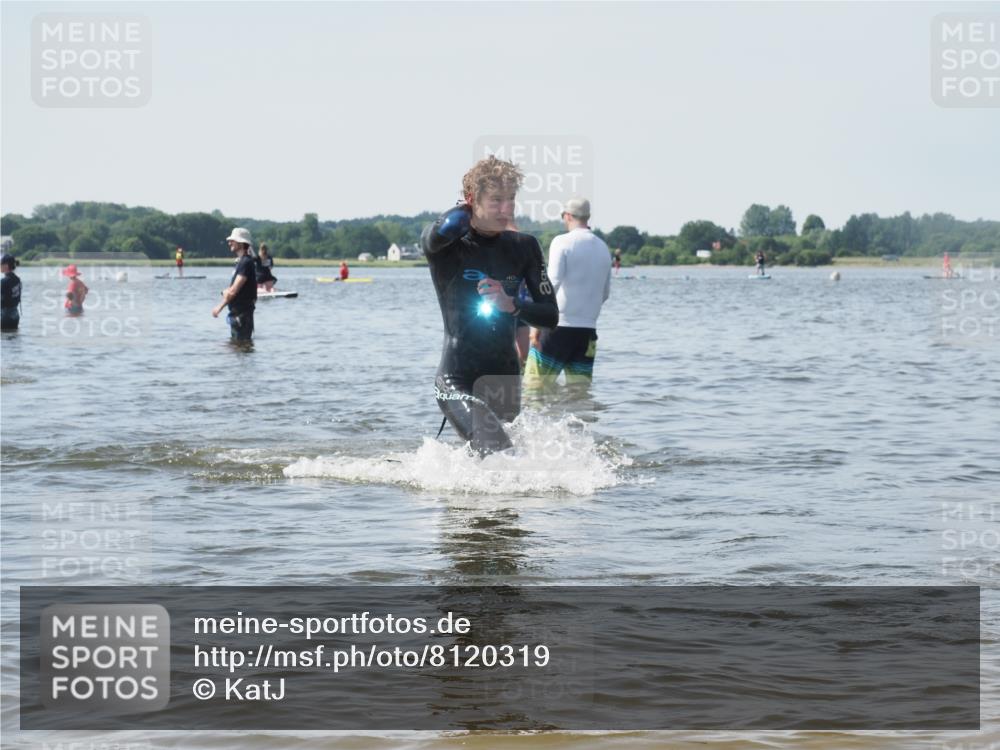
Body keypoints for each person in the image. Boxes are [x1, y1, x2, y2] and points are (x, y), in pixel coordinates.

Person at [421, 155, 558, 455]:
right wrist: (463, 211)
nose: (506, 208)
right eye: (496, 200)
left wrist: (513, 305)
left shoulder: (525, 247)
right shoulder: (449, 248)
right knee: (497, 451)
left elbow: (551, 317)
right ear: (472, 201)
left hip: (504, 376)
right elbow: (430, 238)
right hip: (456, 378)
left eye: (511, 199)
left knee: (505, 464)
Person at [524, 198, 612, 388]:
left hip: (556, 329)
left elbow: (551, 285)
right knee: (580, 394)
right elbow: (605, 294)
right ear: (587, 217)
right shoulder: (603, 248)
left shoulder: (562, 242)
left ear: (568, 216)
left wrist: (535, 327)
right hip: (587, 333)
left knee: (534, 390)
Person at [212, 227, 257, 341]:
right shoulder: (242, 262)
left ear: (241, 243)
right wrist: (226, 291)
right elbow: (235, 289)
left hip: (242, 316)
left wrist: (219, 307)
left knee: (238, 350)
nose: (229, 242)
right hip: (239, 314)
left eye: (233, 240)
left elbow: (233, 291)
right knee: (237, 350)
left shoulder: (245, 262)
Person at [1, 253, 22, 331]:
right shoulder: (17, 279)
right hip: (15, 315)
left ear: (6, 266)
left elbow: (2, 300)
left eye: (1, 264)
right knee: (13, 339)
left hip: (4, 316)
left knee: (4, 340)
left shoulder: (4, 281)